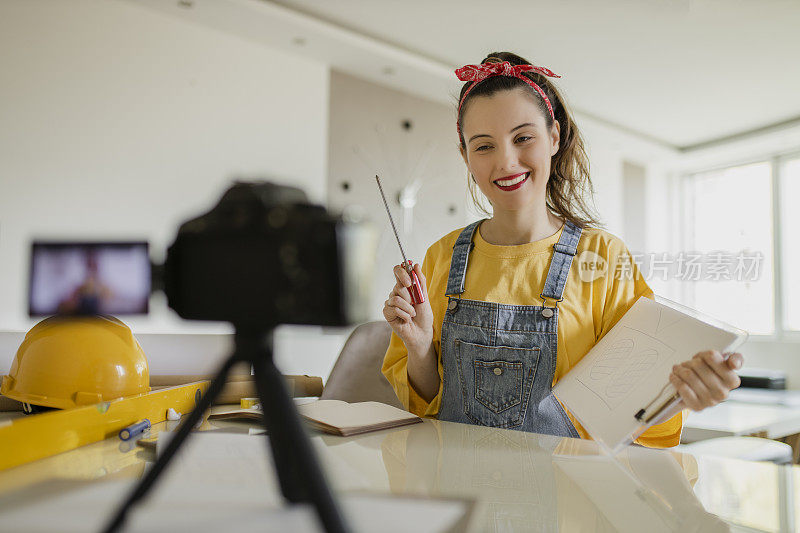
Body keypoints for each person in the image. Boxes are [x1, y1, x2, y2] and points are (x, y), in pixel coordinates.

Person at [381, 51, 743, 447]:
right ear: (465, 155)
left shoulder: (603, 258)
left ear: (553, 137)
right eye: (483, 146)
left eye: (523, 138)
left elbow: (633, 417)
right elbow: (427, 405)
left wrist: (684, 390)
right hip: (457, 489)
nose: (506, 161)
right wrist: (418, 348)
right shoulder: (441, 257)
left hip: (569, 500)